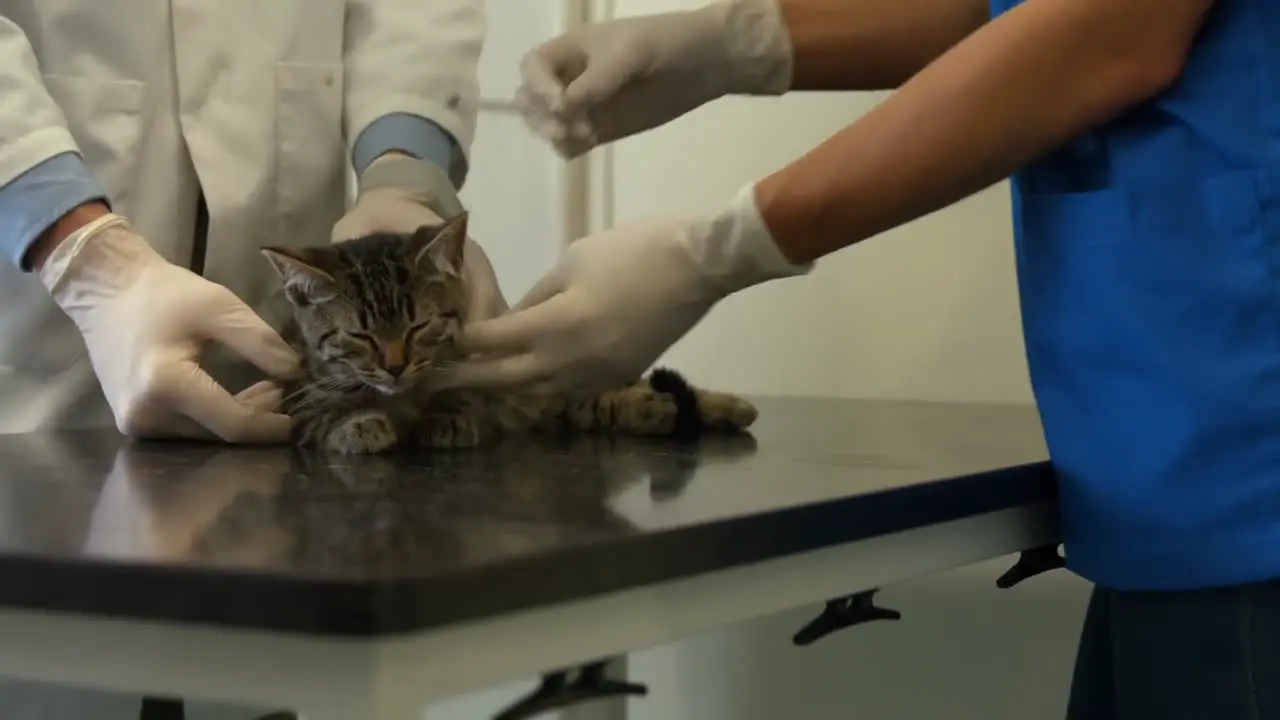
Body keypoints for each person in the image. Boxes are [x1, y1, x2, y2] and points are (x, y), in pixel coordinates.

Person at [446, 0, 1280, 716]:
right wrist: (738, 40)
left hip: (1245, 460)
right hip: (1180, 458)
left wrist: (720, 248)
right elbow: (1021, 11)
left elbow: (1109, 28)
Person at [0, 1, 507, 718]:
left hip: (276, 437)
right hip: (26, 335)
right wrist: (84, 256)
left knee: (251, 674)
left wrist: (403, 171)